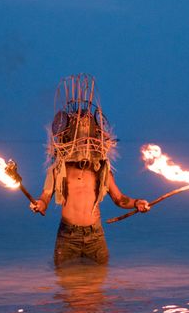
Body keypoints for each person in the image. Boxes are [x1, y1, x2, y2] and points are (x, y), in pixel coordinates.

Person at [29, 74, 150, 266]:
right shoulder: (58, 169)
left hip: (95, 237)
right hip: (68, 237)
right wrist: (39, 205)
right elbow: (45, 195)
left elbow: (119, 199)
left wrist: (137, 203)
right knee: (66, 288)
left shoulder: (101, 168)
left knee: (98, 290)